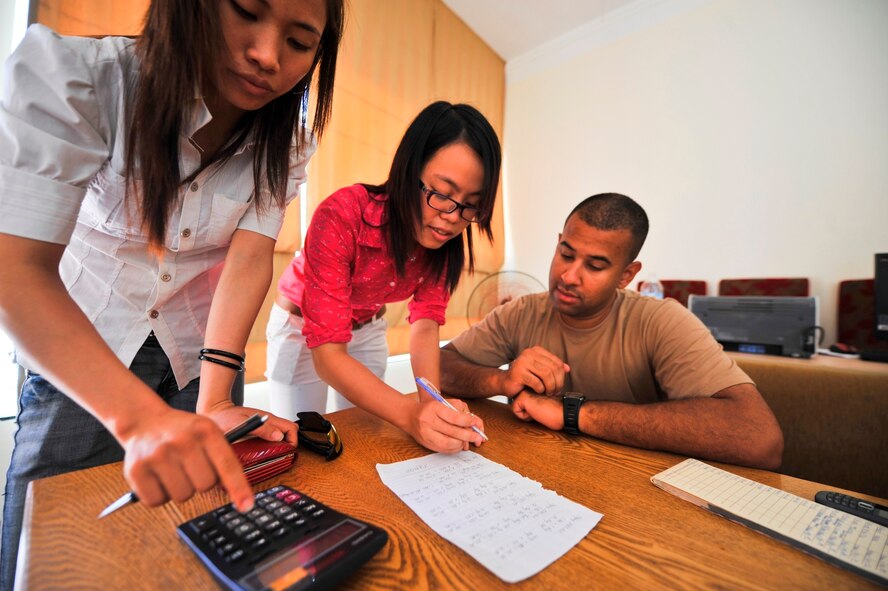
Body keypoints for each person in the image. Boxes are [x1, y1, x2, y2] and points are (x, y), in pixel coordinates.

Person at [0, 0, 344, 586]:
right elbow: (16, 267)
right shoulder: (84, 79)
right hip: (85, 352)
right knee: (53, 550)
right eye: (245, 12)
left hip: (202, 356)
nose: (266, 55)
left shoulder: (282, 144)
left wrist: (213, 401)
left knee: (196, 550)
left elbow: (249, 256)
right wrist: (137, 422)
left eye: (299, 42)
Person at [440, 193, 784, 470]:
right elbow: (439, 367)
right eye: (566, 254)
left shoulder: (660, 321)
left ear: (626, 275)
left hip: (634, 495)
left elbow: (759, 438)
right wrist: (500, 381)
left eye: (595, 265)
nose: (569, 276)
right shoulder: (522, 312)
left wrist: (573, 414)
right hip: (537, 476)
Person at [266, 101, 499, 453]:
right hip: (301, 328)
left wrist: (432, 403)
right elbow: (328, 354)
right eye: (442, 195)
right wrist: (410, 414)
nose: (453, 217)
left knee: (364, 435)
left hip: (366, 326)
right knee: (303, 436)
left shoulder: (444, 247)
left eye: (469, 205)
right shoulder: (343, 214)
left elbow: (424, 324)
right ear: (409, 171)